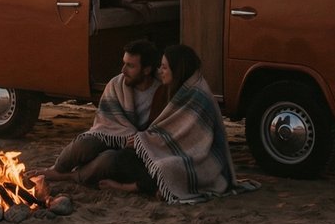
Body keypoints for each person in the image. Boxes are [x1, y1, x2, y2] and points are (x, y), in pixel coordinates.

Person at [98, 44, 257, 203]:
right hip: (173, 152)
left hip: (201, 160)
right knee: (126, 157)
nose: (160, 71)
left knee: (167, 167)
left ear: (177, 70)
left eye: (164, 67)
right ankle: (158, 187)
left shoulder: (197, 95)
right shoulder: (168, 90)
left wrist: (145, 141)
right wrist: (143, 141)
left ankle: (130, 187)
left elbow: (189, 140)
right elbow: (159, 129)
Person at [31, 40, 167, 187]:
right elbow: (106, 122)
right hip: (113, 134)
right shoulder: (116, 84)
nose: (123, 70)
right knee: (84, 144)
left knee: (107, 159)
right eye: (124, 63)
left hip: (139, 147)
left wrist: (142, 139)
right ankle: (56, 169)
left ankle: (72, 176)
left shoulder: (162, 92)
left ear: (146, 70)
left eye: (130, 66)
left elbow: (164, 129)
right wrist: (126, 135)